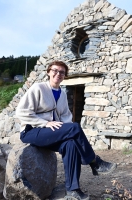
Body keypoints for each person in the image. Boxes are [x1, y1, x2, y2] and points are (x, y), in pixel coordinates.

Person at [16, 60, 116, 200]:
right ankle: (94, 162)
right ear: (49, 72)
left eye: (62, 72)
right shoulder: (38, 88)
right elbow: (21, 112)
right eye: (55, 70)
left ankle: (73, 190)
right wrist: (45, 123)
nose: (58, 74)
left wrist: (64, 130)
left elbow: (66, 117)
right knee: (75, 127)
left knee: (70, 144)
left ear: (65, 76)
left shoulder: (62, 94)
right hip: (31, 131)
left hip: (49, 133)